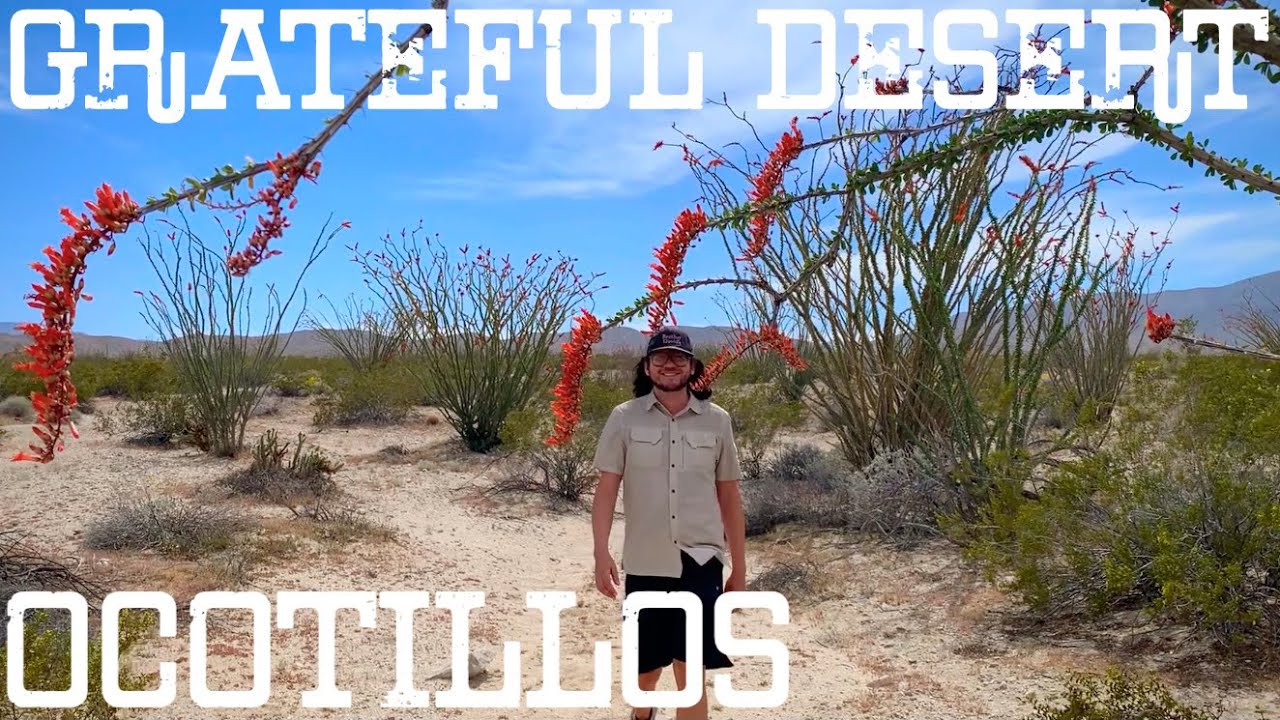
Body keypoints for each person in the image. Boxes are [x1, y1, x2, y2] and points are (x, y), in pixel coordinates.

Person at [590, 326, 747, 720]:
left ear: (692, 367)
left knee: (690, 670)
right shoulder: (624, 418)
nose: (670, 364)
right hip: (646, 560)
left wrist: (740, 567)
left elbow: (729, 495)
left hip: (701, 561)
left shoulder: (717, 421)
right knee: (646, 671)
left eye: (679, 358)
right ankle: (642, 714)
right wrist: (600, 552)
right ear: (647, 367)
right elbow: (606, 489)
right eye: (660, 357)